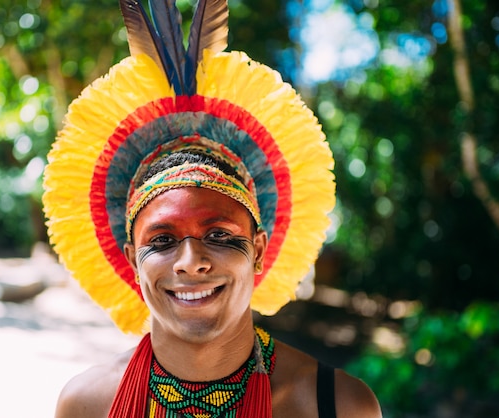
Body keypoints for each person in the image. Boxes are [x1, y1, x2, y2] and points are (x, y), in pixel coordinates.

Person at [42, 1, 382, 417]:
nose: (191, 262)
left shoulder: (337, 406)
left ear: (258, 250)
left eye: (220, 235)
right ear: (132, 261)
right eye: (162, 240)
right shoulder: (87, 405)